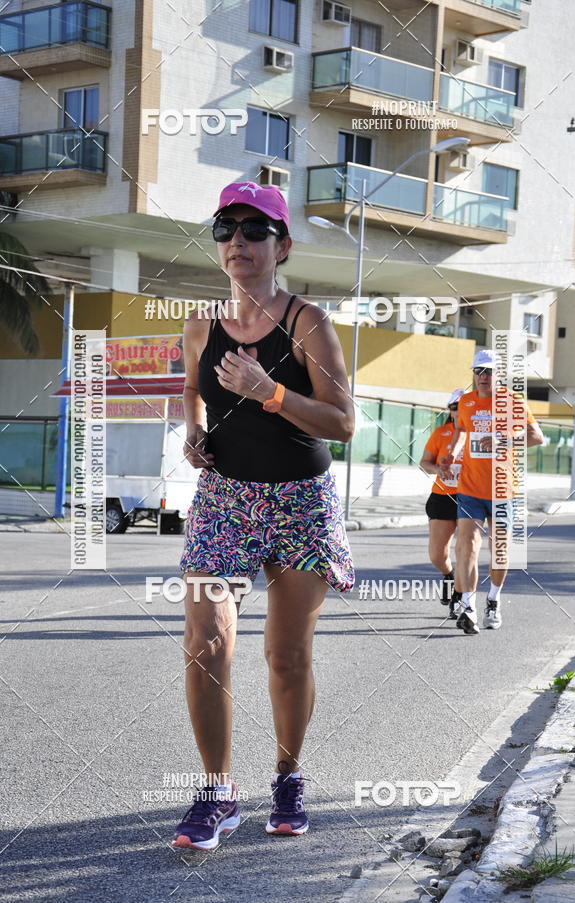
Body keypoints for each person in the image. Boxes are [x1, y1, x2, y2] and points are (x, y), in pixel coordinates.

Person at [173, 181, 355, 850]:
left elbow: (344, 422)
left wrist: (269, 391)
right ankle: (217, 793)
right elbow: (191, 390)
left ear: (282, 244)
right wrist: (191, 431)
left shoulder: (308, 322)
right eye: (226, 228)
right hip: (225, 496)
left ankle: (286, 775)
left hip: (299, 501)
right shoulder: (199, 324)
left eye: (254, 230)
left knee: (285, 655)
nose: (238, 242)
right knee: (205, 638)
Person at [440, 350, 544, 635]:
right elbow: (461, 431)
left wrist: (502, 439)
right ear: (472, 374)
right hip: (470, 489)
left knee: (498, 552)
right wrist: (451, 454)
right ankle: (470, 607)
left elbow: (537, 436)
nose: (483, 377)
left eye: (488, 371)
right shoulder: (466, 401)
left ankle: (494, 600)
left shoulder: (512, 401)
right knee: (468, 547)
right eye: (478, 371)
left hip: (502, 489)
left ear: (498, 375)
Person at [419, 389, 465, 618]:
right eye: (454, 407)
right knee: (438, 554)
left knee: (465, 550)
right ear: (450, 410)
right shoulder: (441, 433)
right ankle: (449, 574)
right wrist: (438, 469)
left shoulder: (477, 435)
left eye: (463, 407)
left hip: (470, 498)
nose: (458, 412)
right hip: (442, 496)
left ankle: (460, 595)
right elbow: (424, 463)